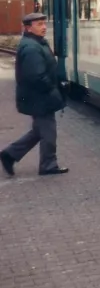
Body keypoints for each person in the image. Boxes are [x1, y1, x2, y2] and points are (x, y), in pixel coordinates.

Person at [0, 12, 68, 177]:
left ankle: (9, 154)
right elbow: (36, 76)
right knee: (49, 132)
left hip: (38, 97)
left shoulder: (37, 43)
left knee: (39, 131)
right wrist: (52, 91)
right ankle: (48, 165)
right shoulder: (31, 47)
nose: (44, 27)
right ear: (28, 28)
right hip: (40, 98)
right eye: (39, 24)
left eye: (44, 23)